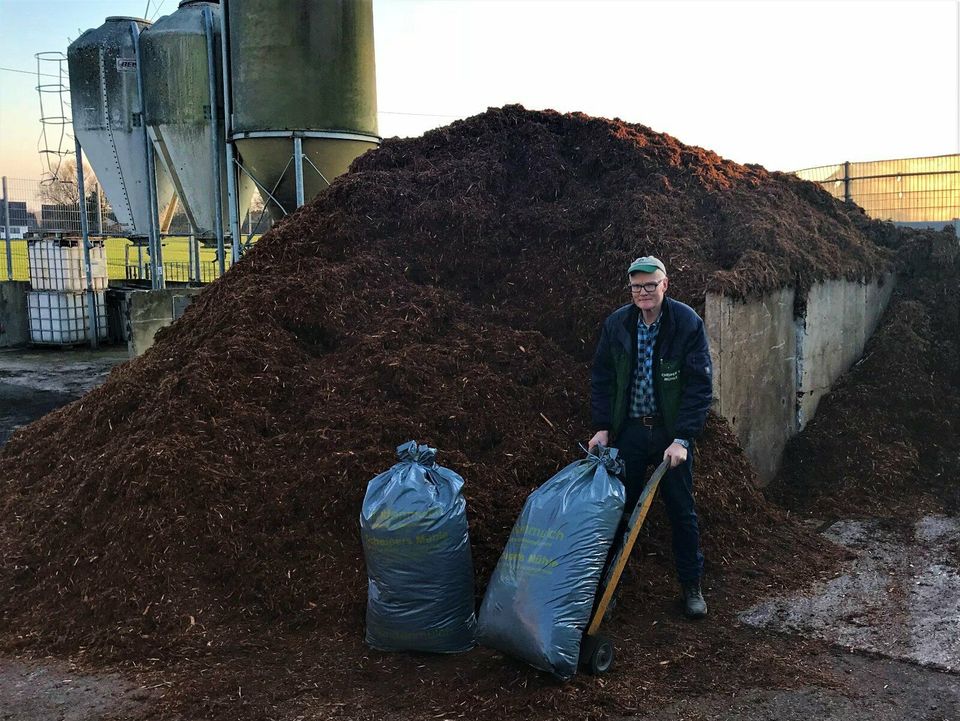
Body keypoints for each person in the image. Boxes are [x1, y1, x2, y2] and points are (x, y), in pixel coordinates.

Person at [588, 255, 713, 619]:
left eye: (649, 285)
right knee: (617, 510)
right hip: (628, 433)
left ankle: (691, 586)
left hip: (667, 436)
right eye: (636, 287)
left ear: (665, 285)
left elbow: (699, 386)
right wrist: (602, 427)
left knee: (681, 512)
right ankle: (607, 590)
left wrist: (684, 438)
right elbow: (602, 378)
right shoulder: (618, 325)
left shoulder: (686, 324)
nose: (643, 293)